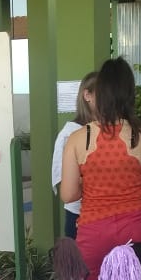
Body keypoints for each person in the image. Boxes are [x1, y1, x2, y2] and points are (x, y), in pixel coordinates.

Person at [59, 57, 141, 280]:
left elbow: (68, 194)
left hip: (94, 229)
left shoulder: (78, 138)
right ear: (130, 94)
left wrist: (91, 184)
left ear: (101, 92)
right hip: (137, 229)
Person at [51, 72, 96, 239]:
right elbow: (62, 182)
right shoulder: (69, 133)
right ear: (87, 95)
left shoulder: (113, 131)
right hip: (78, 215)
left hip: (107, 215)